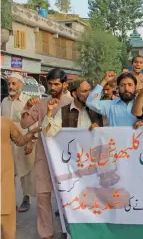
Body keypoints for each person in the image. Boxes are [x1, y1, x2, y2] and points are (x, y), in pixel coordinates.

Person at [20, 69, 73, 239]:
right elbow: (25, 122)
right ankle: (46, 233)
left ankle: (70, 231)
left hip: (67, 158)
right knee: (43, 196)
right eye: (50, 84)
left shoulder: (73, 103)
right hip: (44, 156)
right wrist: (28, 106)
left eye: (56, 84)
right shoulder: (42, 103)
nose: (52, 87)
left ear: (65, 84)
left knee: (69, 195)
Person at [1, 73, 36, 213]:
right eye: (9, 83)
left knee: (25, 171)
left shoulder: (28, 101)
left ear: (21, 85)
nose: (10, 86)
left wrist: (31, 142)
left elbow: (33, 124)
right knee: (8, 173)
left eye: (14, 83)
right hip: (7, 142)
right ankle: (10, 201)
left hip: (23, 141)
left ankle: (26, 199)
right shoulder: (4, 101)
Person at [1, 117, 40, 239]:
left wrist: (32, 132)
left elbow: (20, 140)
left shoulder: (5, 122)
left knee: (7, 218)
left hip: (4, 179)